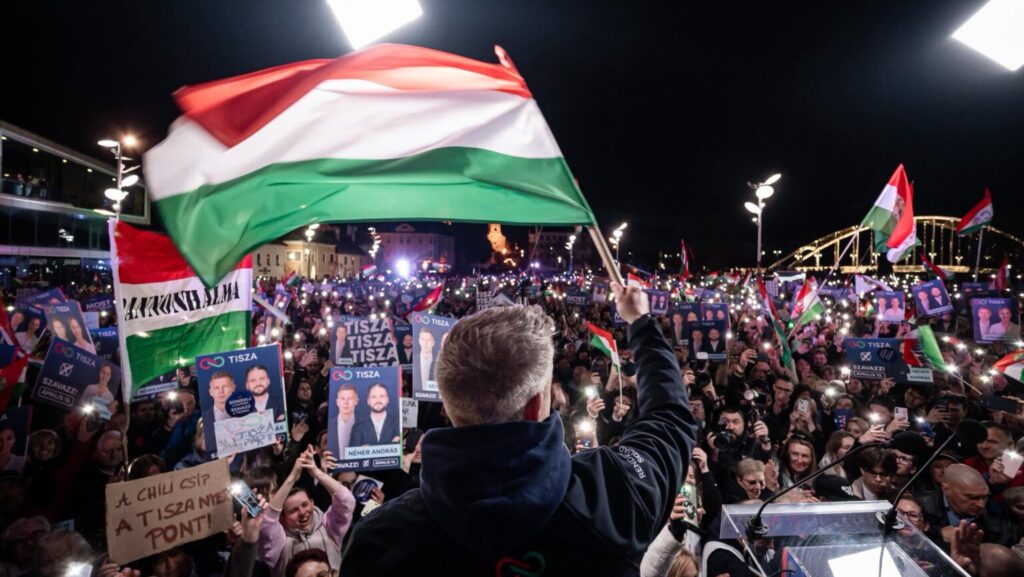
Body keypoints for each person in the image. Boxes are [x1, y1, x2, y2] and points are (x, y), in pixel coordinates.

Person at [342, 285, 698, 575]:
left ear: (449, 406)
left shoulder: (380, 542)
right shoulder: (612, 497)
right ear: (535, 404)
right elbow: (669, 417)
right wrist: (640, 322)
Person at [259, 446, 354, 575]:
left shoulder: (329, 527)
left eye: (305, 505)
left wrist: (317, 472)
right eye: (293, 510)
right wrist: (292, 478)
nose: (302, 512)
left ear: (312, 503)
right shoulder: (279, 542)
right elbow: (267, 521)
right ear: (284, 516)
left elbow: (347, 501)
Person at [917, 464, 1015, 547]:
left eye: (985, 497)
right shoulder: (917, 507)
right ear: (946, 490)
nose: (981, 505)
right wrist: (937, 534)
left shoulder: (997, 524)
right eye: (973, 497)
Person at [334, 384, 358, 457]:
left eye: (349, 399)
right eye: (343, 399)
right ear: (337, 402)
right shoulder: (329, 425)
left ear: (356, 401)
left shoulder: (365, 426)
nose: (346, 403)